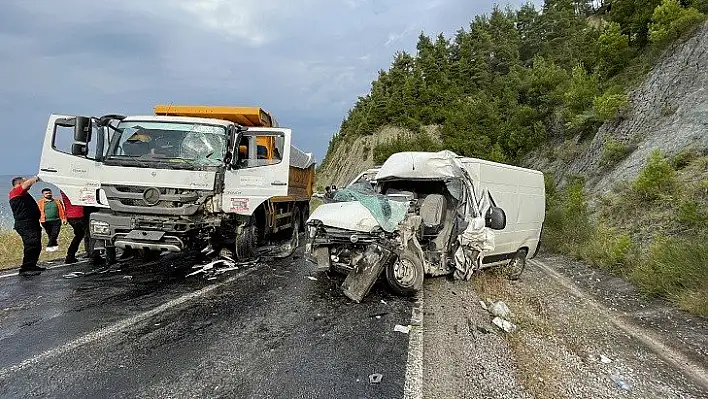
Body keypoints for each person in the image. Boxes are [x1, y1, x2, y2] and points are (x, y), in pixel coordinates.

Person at [8, 176, 46, 276]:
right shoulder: (15, 191)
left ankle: (32, 265)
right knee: (31, 245)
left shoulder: (22, 193)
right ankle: (26, 268)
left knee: (36, 245)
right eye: (25, 181)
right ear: (20, 183)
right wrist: (36, 178)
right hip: (25, 224)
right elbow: (26, 184)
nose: (27, 183)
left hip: (31, 223)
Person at [60, 190, 88, 264]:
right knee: (88, 235)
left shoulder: (63, 190)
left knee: (79, 236)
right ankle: (93, 255)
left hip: (71, 216)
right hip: (80, 215)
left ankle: (70, 256)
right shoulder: (75, 190)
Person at [37, 188, 66, 252]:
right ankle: (54, 248)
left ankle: (49, 246)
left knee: (55, 234)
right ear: (43, 194)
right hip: (45, 221)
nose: (48, 194)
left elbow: (62, 210)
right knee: (50, 234)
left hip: (57, 220)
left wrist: (64, 218)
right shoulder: (40, 203)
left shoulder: (57, 201)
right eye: (46, 193)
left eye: (49, 193)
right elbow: (37, 212)